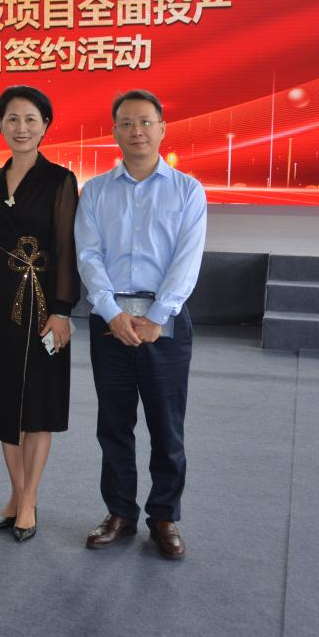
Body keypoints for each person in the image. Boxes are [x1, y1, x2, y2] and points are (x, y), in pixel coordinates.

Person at [74, 89, 207, 559]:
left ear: (162, 128)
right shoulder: (95, 191)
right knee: (113, 424)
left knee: (166, 426)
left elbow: (187, 260)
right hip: (110, 322)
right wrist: (111, 313)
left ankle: (165, 516)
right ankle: (120, 513)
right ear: (114, 131)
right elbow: (88, 257)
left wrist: (156, 317)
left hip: (163, 322)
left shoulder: (187, 190)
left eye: (146, 122)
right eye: (127, 123)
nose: (137, 131)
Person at [0, 86, 78, 543]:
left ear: (45, 125)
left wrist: (63, 310)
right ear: (0, 125)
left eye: (31, 119)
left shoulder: (60, 180)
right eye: (12, 119)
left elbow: (67, 248)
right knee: (3, 402)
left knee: (39, 406)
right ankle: (15, 494)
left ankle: (28, 500)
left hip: (45, 305)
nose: (22, 127)